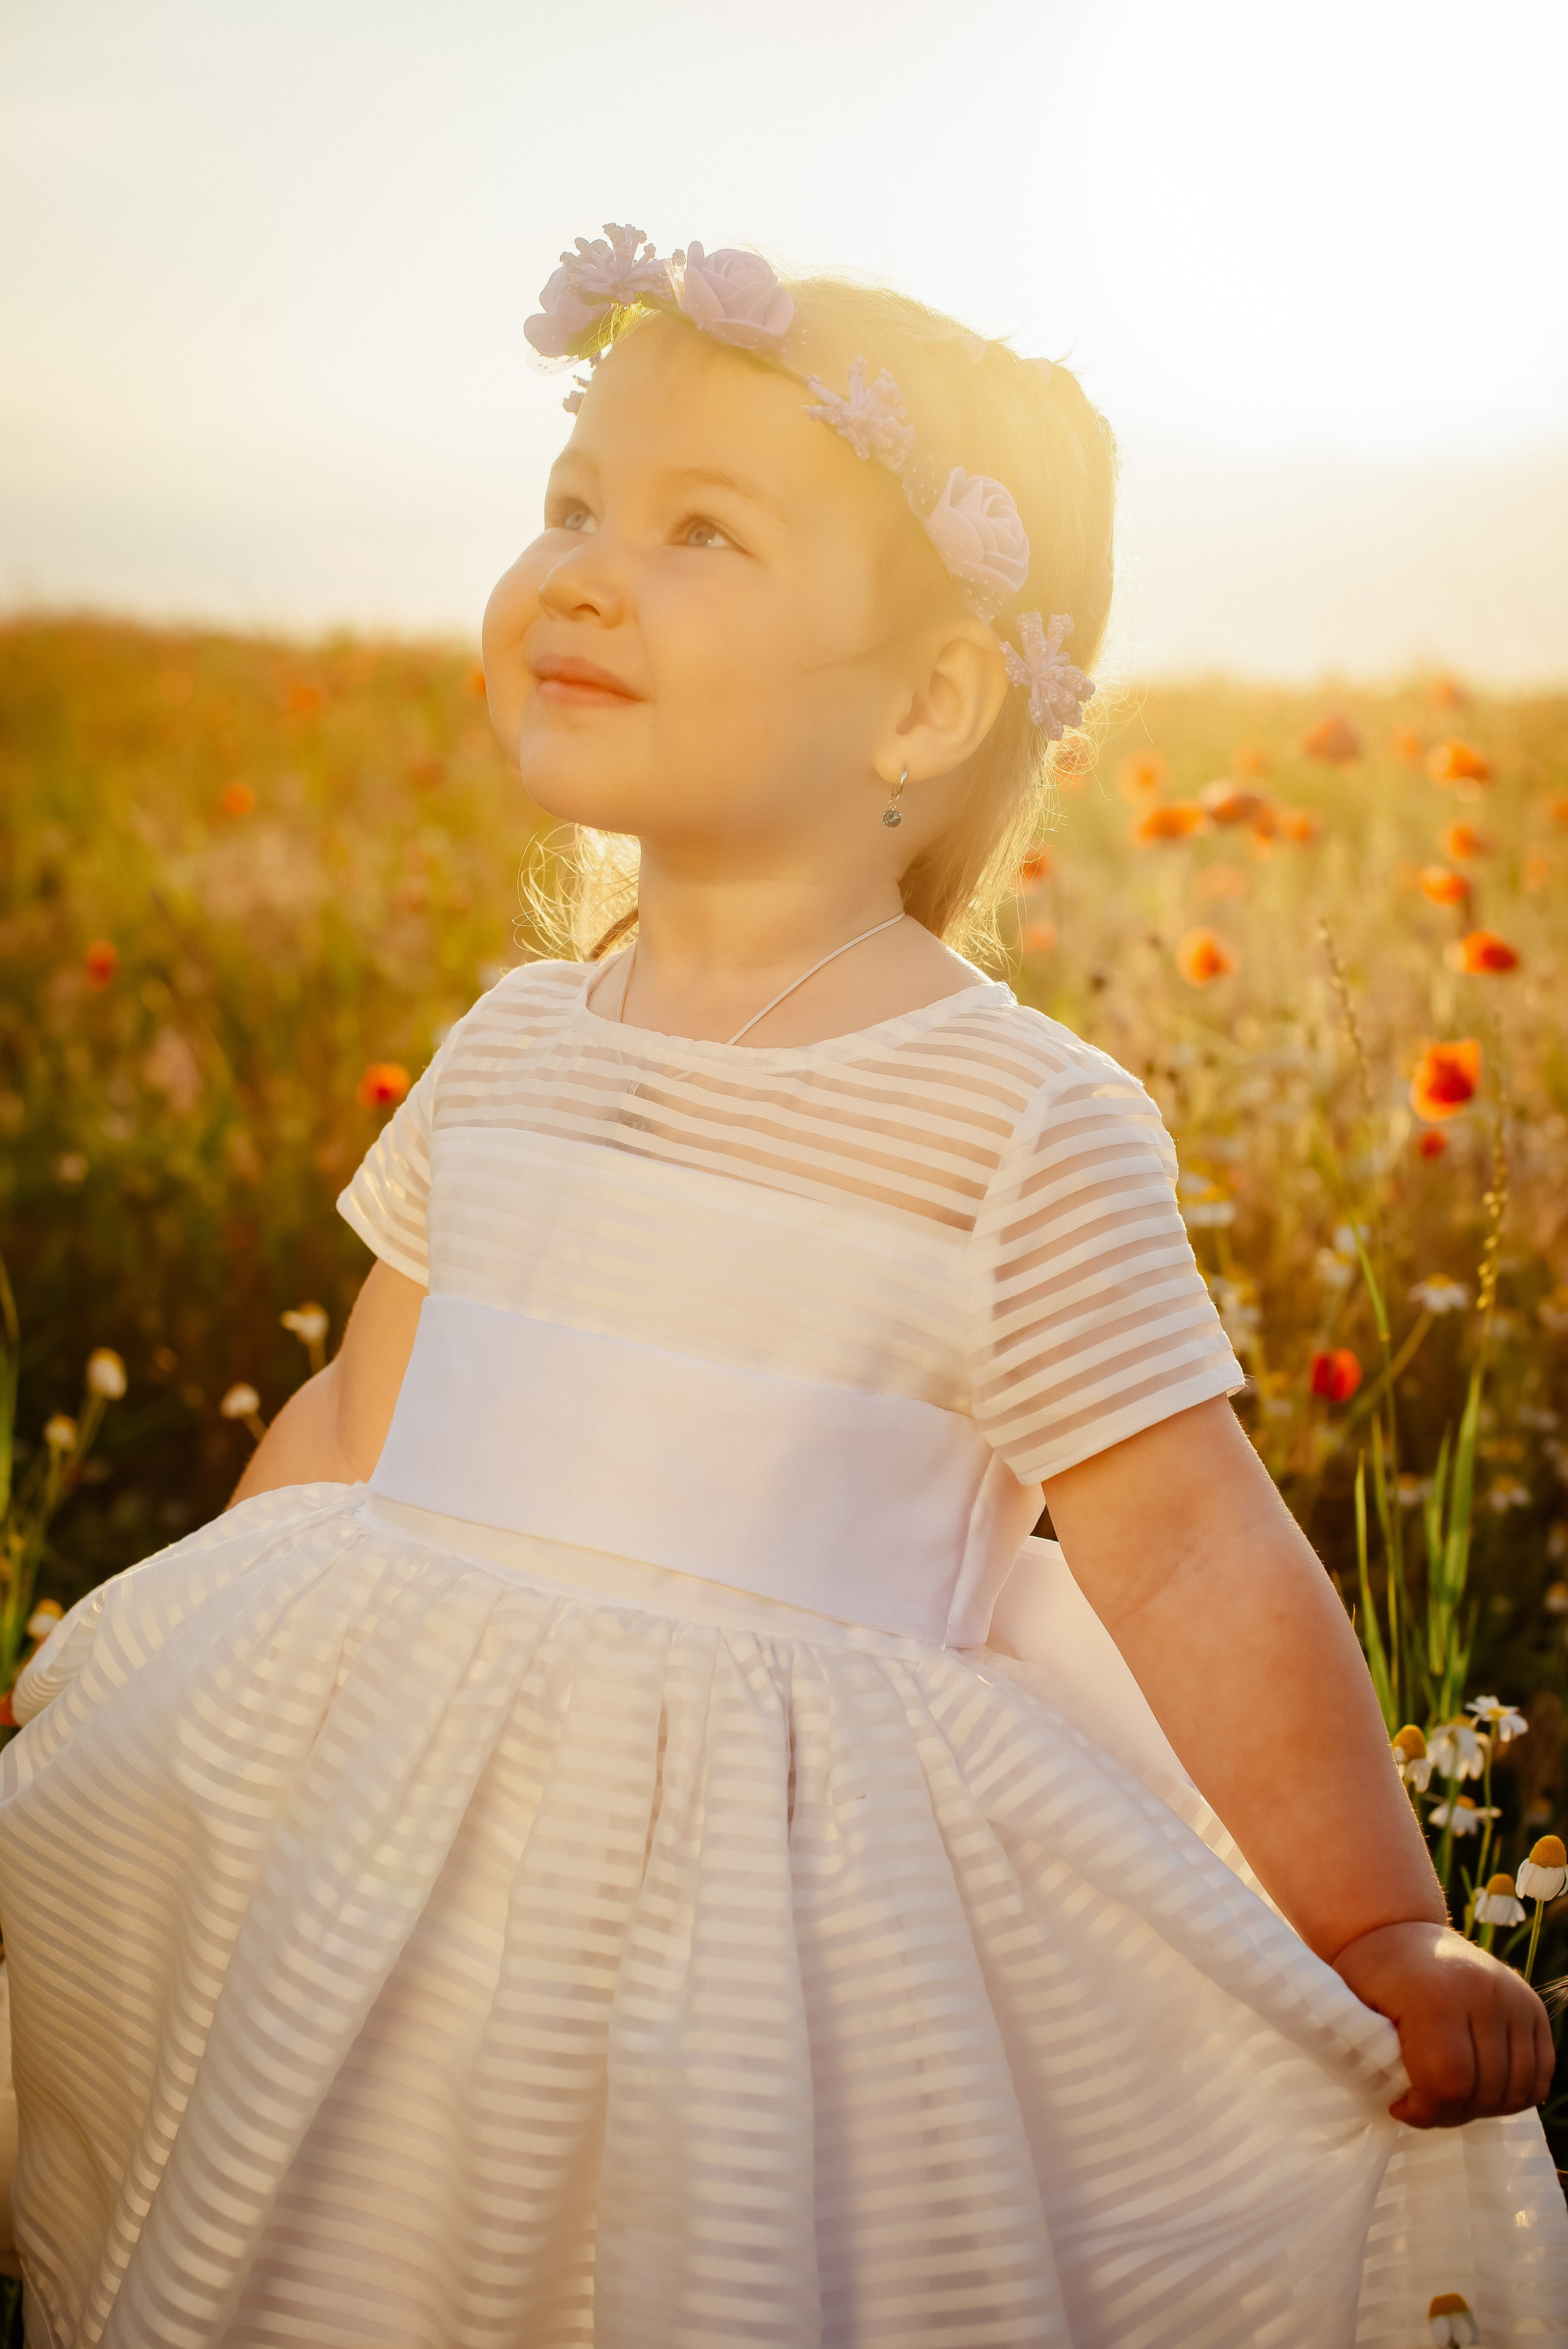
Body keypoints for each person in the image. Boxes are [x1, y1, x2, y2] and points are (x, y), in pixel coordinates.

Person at [1, 229, 1562, 2349]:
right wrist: (161, 1676)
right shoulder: (513, 1046)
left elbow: (1195, 1552)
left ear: (925, 702)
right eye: (572, 504)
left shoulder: (1015, 1119)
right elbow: (361, 1426)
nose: (584, 572)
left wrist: (1376, 1922)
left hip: (772, 1911)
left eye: (699, 531)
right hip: (401, 1851)